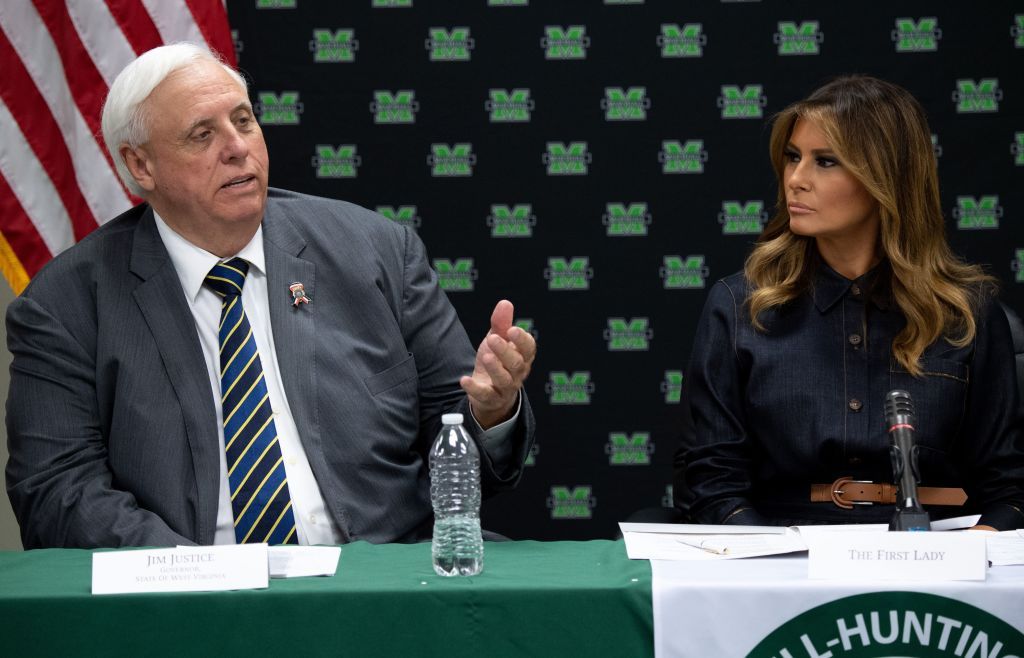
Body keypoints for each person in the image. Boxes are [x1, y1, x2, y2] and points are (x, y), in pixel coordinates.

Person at [5, 44, 536, 548]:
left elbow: (461, 440)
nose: (237, 148)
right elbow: (57, 491)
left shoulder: (376, 251)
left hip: (382, 583)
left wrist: (490, 413)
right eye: (201, 135)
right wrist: (198, 574)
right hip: (191, 608)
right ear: (141, 166)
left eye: (243, 121)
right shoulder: (66, 306)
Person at [679, 76, 1024, 530]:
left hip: (935, 554)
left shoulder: (967, 313)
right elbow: (710, 485)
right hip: (780, 553)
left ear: (886, 177)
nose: (796, 180)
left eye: (825, 161)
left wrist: (973, 548)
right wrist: (771, 564)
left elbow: (1010, 488)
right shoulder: (739, 306)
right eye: (792, 157)